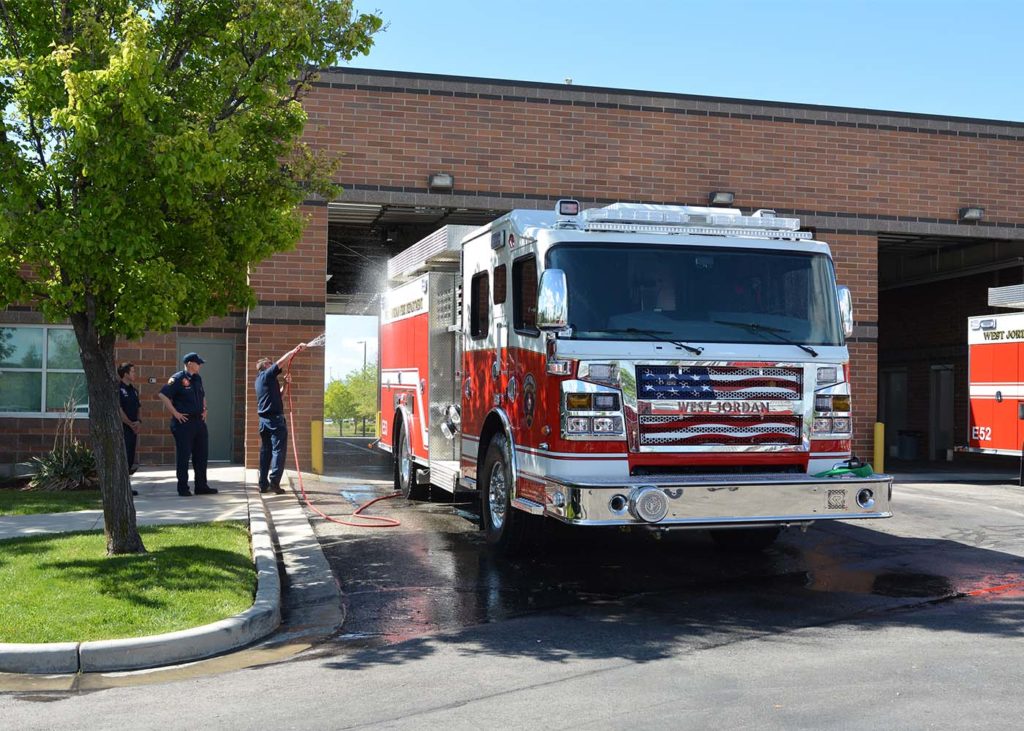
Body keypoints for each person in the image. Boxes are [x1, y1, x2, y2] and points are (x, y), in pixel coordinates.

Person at [158, 352, 217, 497]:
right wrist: (175, 413)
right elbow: (163, 395)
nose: (200, 365)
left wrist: (205, 409)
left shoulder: (197, 378)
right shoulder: (177, 378)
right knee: (184, 456)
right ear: (190, 363)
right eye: (198, 363)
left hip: (198, 422)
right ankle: (183, 487)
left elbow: (202, 395)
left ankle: (201, 486)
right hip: (183, 423)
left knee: (201, 455)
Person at [255, 343, 307, 494]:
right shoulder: (267, 374)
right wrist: (296, 349)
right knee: (279, 451)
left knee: (266, 452)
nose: (273, 365)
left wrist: (285, 384)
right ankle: (274, 482)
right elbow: (282, 361)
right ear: (265, 365)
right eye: (270, 363)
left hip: (264, 421)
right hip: (275, 420)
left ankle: (263, 484)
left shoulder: (261, 380)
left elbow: (280, 396)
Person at [117, 362, 141, 496]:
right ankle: (122, 489)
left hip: (133, 429)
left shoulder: (134, 390)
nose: (134, 374)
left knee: (130, 459)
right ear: (125, 374)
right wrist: (130, 423)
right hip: (123, 429)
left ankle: (126, 488)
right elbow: (119, 410)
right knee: (124, 458)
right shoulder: (118, 389)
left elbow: (138, 408)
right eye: (132, 372)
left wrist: (138, 422)